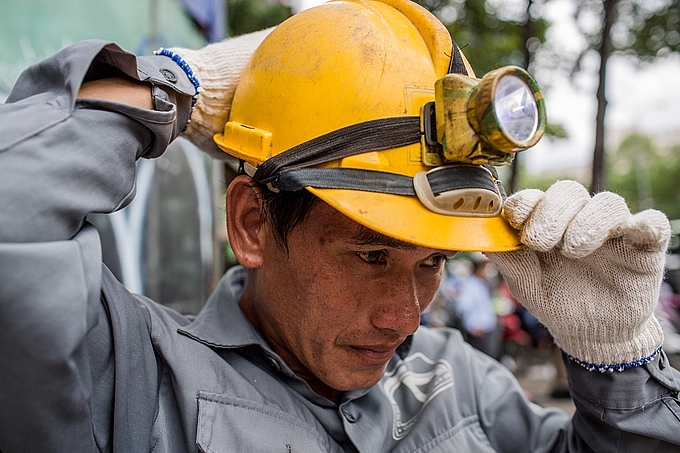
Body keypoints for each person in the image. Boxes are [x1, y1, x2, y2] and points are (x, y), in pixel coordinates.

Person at [1, 1, 679, 451]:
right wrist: (168, 86)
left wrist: (616, 364)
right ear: (251, 222)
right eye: (373, 254)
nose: (406, 317)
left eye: (432, 261)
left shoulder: (460, 380)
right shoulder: (134, 378)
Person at [451, 256, 503, 359]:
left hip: (487, 331)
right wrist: (472, 328)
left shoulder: (482, 284)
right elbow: (462, 307)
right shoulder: (470, 285)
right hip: (477, 333)